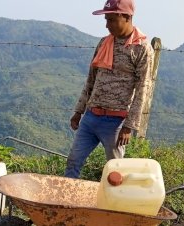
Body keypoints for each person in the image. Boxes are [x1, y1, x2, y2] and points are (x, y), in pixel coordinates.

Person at [64, 0, 154, 178]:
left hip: (116, 122)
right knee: (73, 160)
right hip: (91, 116)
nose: (107, 25)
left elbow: (143, 89)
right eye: (106, 20)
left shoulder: (142, 49)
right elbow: (91, 79)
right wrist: (78, 111)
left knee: (115, 171)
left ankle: (114, 204)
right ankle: (64, 203)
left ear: (127, 17)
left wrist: (129, 127)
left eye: (112, 20)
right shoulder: (105, 43)